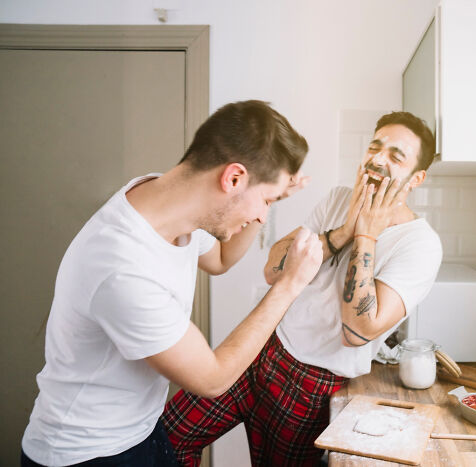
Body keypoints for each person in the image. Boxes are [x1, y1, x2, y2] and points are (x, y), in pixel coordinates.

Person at [20, 100, 323, 467]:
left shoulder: (167, 198)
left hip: (142, 430)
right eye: (264, 200)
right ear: (234, 178)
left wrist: (270, 196)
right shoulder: (122, 266)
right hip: (87, 453)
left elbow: (222, 259)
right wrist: (289, 285)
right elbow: (212, 379)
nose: (262, 214)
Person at [162, 111, 443, 466]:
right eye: (375, 147)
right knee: (169, 436)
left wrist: (366, 234)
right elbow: (273, 267)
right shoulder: (339, 199)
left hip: (313, 384)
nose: (377, 158)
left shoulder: (421, 245)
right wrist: (342, 231)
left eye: (395, 155)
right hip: (262, 349)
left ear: (417, 178)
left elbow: (358, 331)